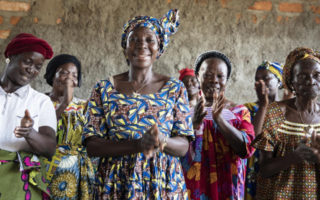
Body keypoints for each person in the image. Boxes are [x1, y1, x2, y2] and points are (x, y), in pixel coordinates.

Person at [83, 9, 194, 199]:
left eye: (150, 40)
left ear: (159, 47)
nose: (141, 45)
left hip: (162, 184)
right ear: (125, 48)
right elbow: (92, 145)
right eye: (134, 39)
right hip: (115, 184)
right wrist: (137, 145)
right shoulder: (104, 89)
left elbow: (183, 146)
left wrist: (161, 141)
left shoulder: (174, 88)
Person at [182, 50, 255, 200]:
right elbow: (174, 150)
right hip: (193, 190)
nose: (214, 80)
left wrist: (219, 120)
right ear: (197, 77)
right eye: (207, 75)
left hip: (227, 189)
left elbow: (246, 149)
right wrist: (194, 123)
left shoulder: (239, 112)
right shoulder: (184, 112)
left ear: (226, 80)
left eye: (220, 76)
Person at [252, 47, 320, 199]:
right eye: (303, 76)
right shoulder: (276, 112)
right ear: (291, 82)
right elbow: (264, 169)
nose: (311, 81)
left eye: (317, 75)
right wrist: (295, 156)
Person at [0, 33, 56, 199]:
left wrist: (30, 132)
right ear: (11, 57)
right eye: (27, 61)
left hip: (16, 181)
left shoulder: (41, 102)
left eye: (38, 67)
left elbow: (50, 148)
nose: (32, 69)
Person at [43, 54, 95, 199]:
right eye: (64, 73)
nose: (69, 78)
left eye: (74, 75)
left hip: (76, 172)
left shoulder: (84, 106)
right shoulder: (40, 102)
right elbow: (43, 131)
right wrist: (65, 103)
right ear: (52, 75)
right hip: (47, 170)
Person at [244, 61, 283, 199]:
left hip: (280, 170)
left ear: (279, 81)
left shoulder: (288, 110)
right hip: (254, 170)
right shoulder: (247, 109)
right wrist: (263, 106)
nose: (261, 82)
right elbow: (252, 142)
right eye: (257, 80)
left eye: (266, 78)